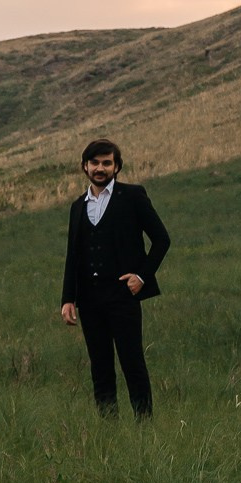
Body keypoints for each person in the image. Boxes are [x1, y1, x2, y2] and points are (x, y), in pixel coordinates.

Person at [61, 138, 170, 419]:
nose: (100, 168)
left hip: (123, 295)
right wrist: (68, 299)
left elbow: (161, 239)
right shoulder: (77, 206)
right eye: (95, 163)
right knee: (100, 367)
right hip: (89, 299)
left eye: (106, 163)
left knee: (132, 363)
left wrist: (142, 277)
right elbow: (73, 255)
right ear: (85, 166)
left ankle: (143, 426)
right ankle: (109, 430)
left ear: (116, 166)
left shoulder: (132, 196)